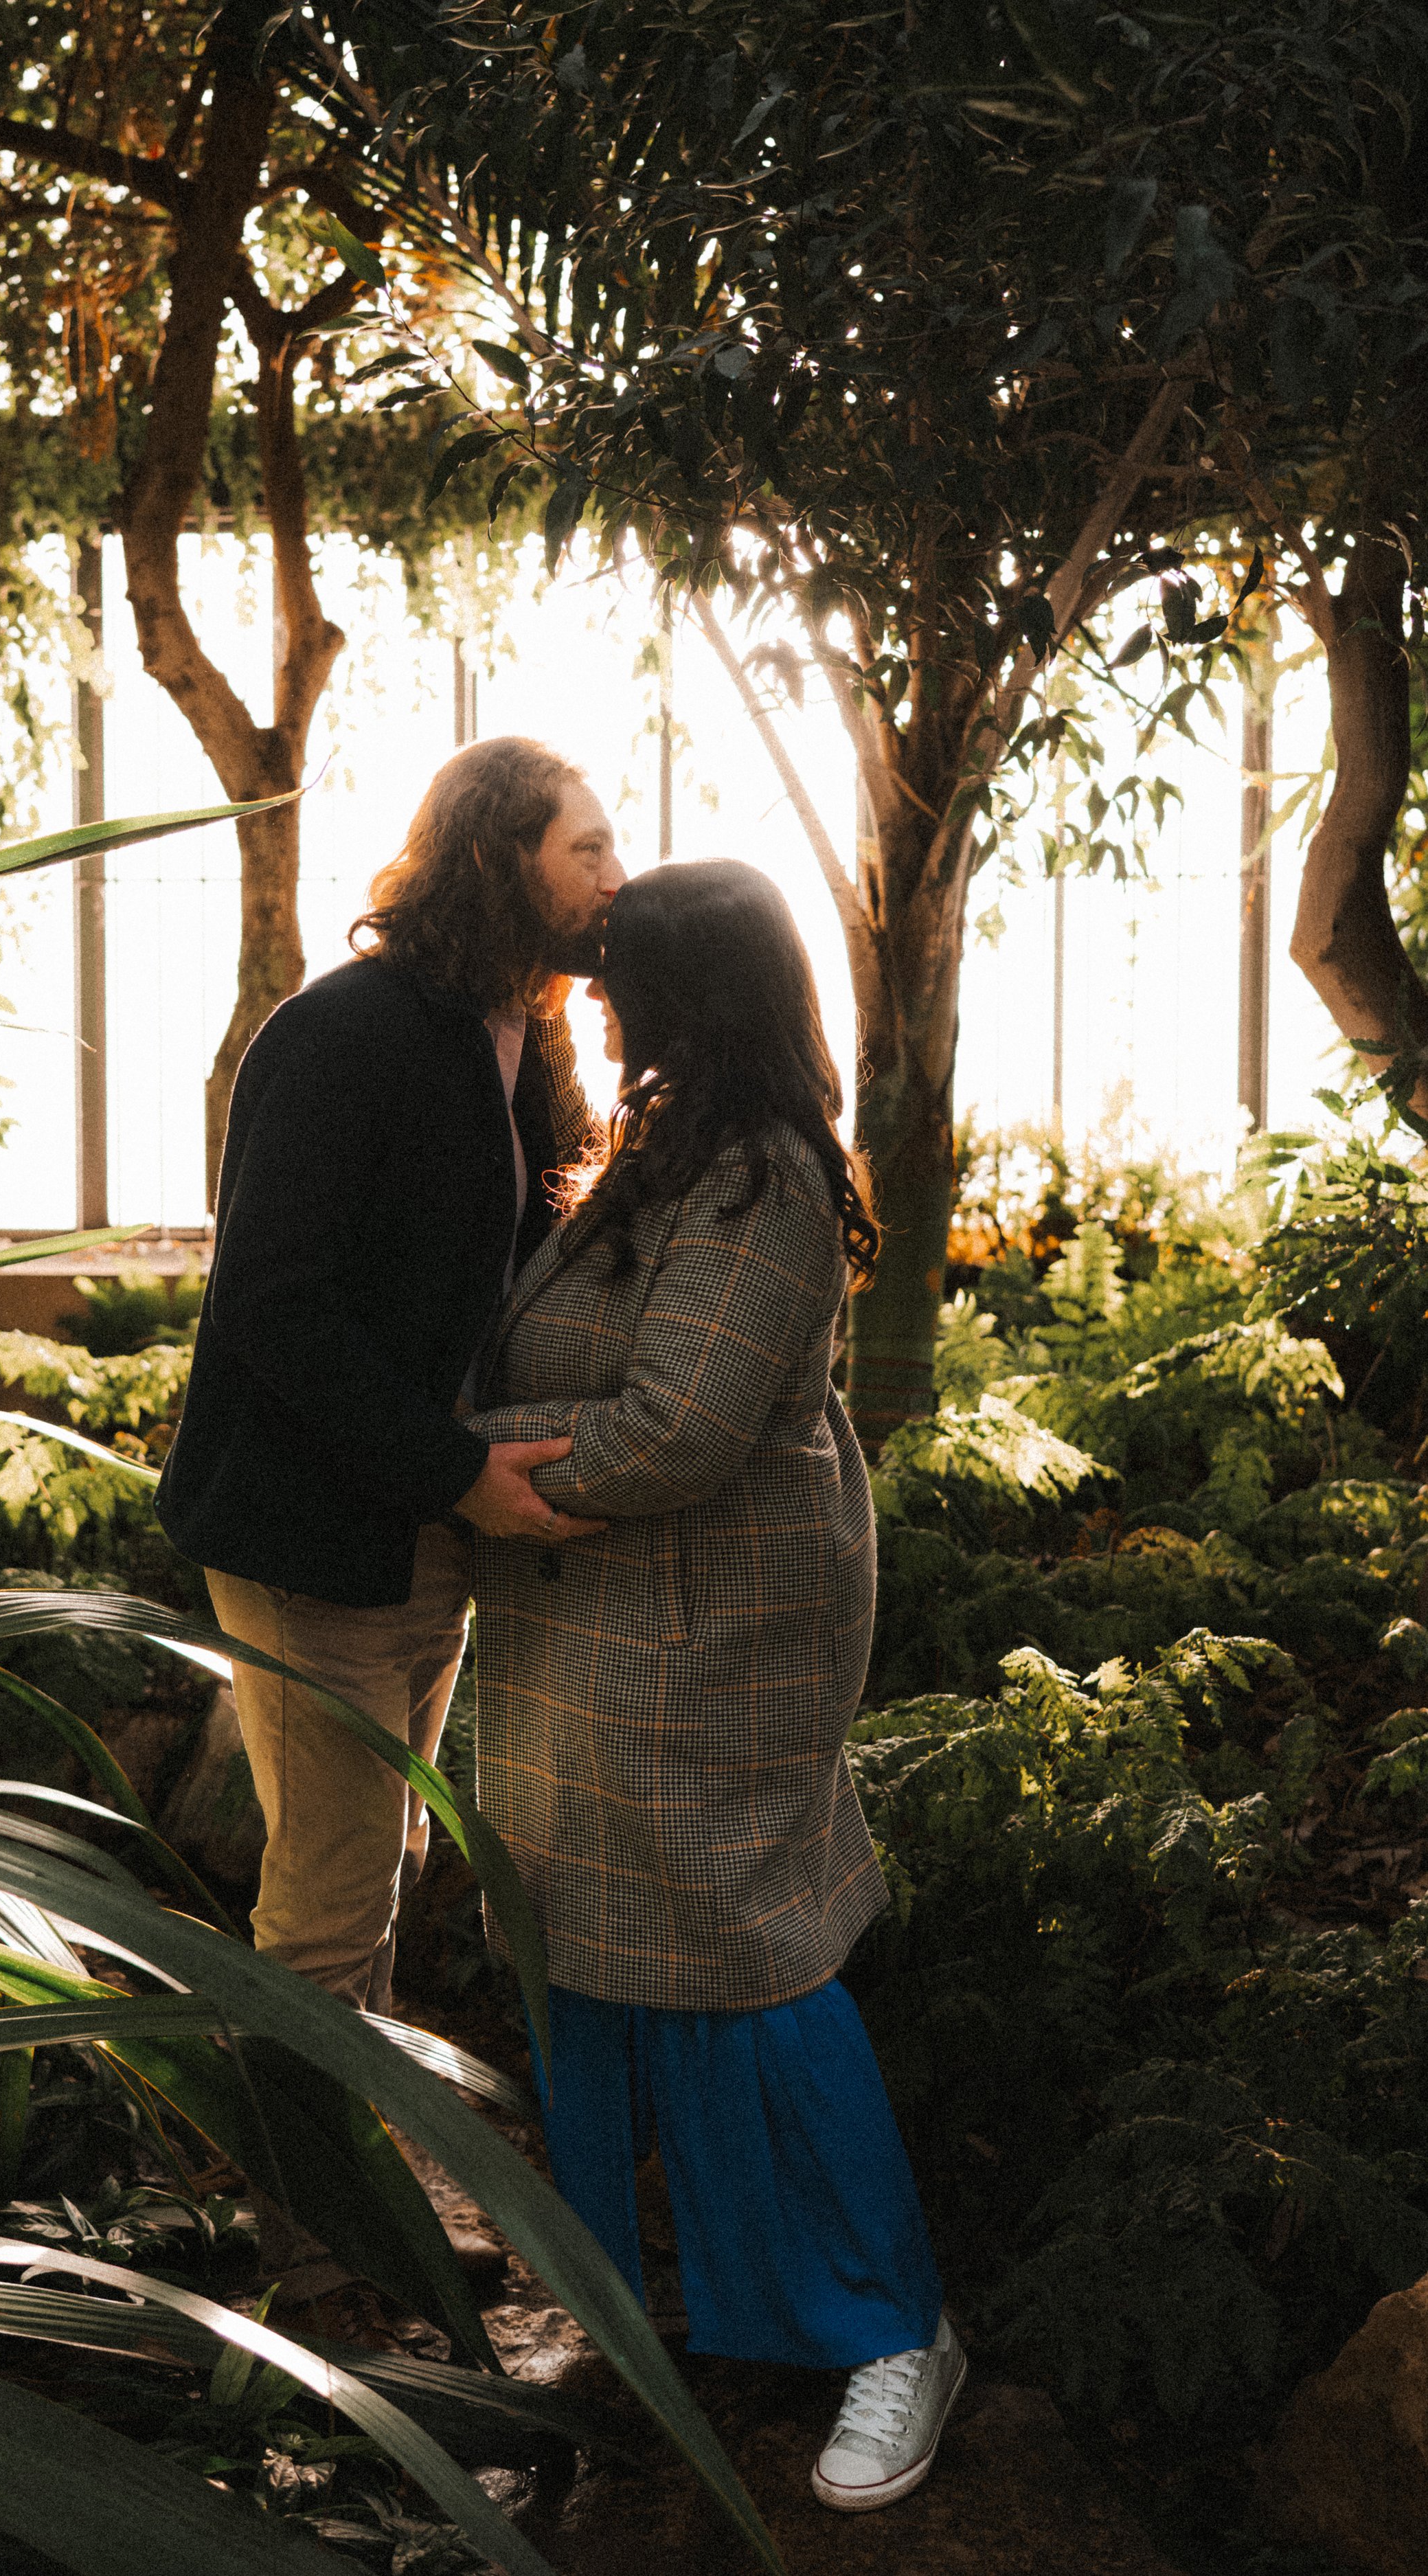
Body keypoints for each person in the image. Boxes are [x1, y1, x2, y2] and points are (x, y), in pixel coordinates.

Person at [466, 859, 963, 2513]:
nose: (598, 1007)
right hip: (598, 1629)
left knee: (743, 1956)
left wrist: (462, 1469)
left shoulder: (762, 1175)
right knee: (603, 1962)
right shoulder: (663, 1149)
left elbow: (681, 1428)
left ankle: (894, 2329)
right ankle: (649, 2312)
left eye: (620, 982)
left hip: (705, 1632)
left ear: (693, 995)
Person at [156, 737, 622, 2029]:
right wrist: (457, 1470)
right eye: (587, 849)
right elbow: (271, 1305)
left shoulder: (532, 1040)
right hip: (313, 1537)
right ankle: (293, 2169)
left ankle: (360, 2145)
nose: (616, 878)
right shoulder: (340, 1034)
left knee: (382, 1867)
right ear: (493, 857)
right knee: (331, 1898)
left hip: (424, 1528)